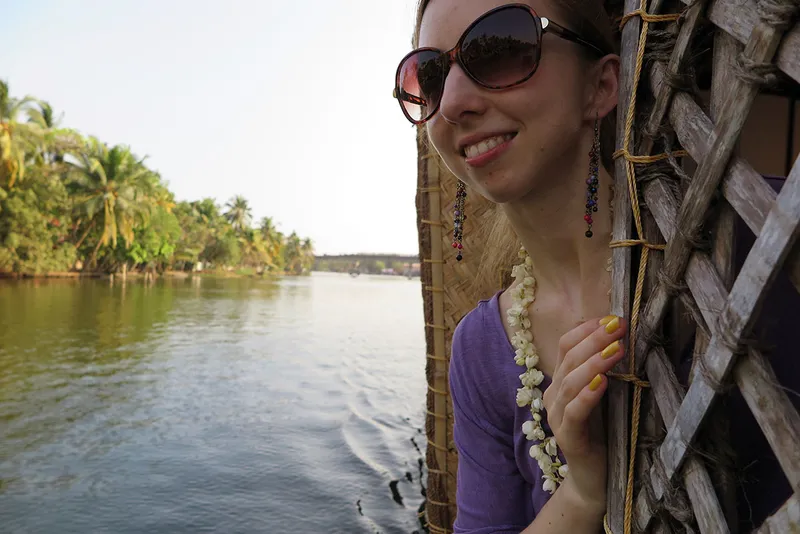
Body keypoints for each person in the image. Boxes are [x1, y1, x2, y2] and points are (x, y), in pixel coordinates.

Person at [392, 1, 798, 533]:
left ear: (601, 87)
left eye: (499, 49)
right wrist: (582, 492)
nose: (453, 104)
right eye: (431, 76)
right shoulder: (480, 350)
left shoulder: (763, 228)